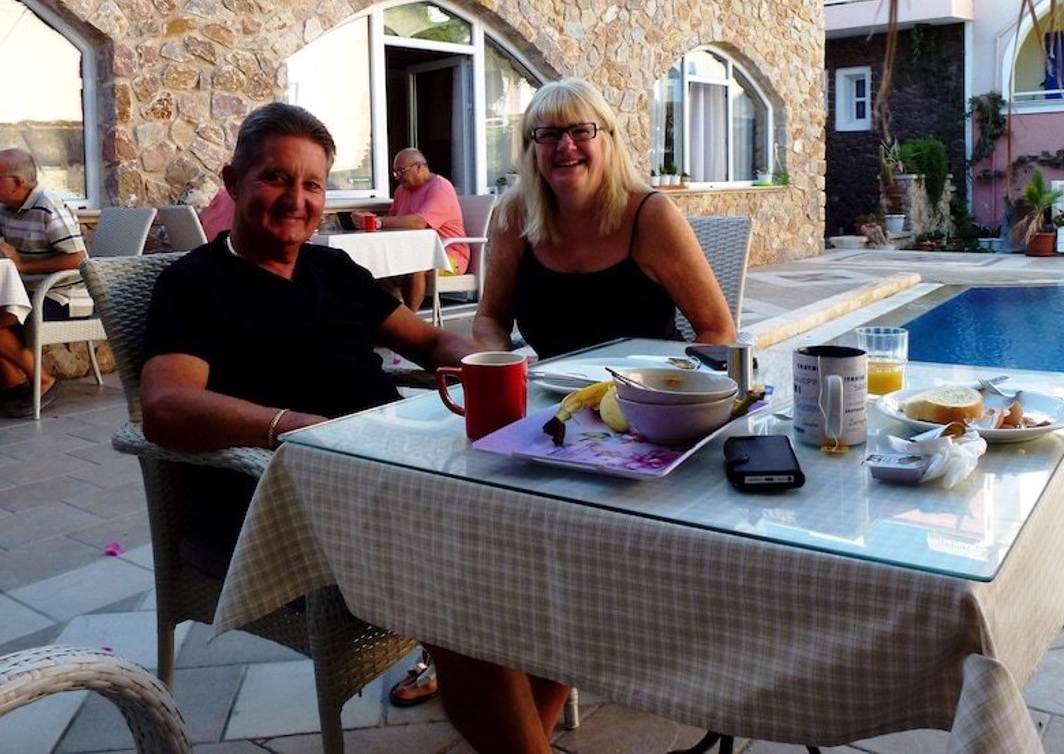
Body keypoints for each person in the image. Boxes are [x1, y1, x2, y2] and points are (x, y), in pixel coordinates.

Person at [138, 102, 568, 752]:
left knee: (555, 540)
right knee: (468, 578)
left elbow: (429, 342)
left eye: (311, 184)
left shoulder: (332, 269)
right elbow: (166, 407)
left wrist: (501, 366)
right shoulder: (194, 284)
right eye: (276, 178)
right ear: (233, 181)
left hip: (388, 475)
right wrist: (294, 427)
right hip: (289, 497)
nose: (296, 200)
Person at [473, 78, 738, 358]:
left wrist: (680, 380)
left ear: (608, 140)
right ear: (531, 149)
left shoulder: (652, 215)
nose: (566, 145)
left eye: (581, 131)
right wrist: (498, 363)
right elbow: (490, 319)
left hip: (650, 382)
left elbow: (719, 331)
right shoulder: (515, 216)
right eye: (549, 134)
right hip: (553, 386)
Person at [0, 148, 86, 416]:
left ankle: (43, 380)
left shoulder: (48, 207)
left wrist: (22, 264)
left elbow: (78, 259)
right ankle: (11, 379)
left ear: (18, 183)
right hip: (24, 292)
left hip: (62, 295)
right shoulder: (5, 208)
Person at [378, 148, 469, 311]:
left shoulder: (440, 187)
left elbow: (420, 222)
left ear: (418, 167)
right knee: (379, 266)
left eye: (401, 171)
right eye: (395, 173)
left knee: (416, 262)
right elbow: (394, 222)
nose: (398, 177)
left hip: (448, 256)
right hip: (412, 252)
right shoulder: (401, 191)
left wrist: (378, 222)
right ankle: (389, 317)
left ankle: (410, 319)